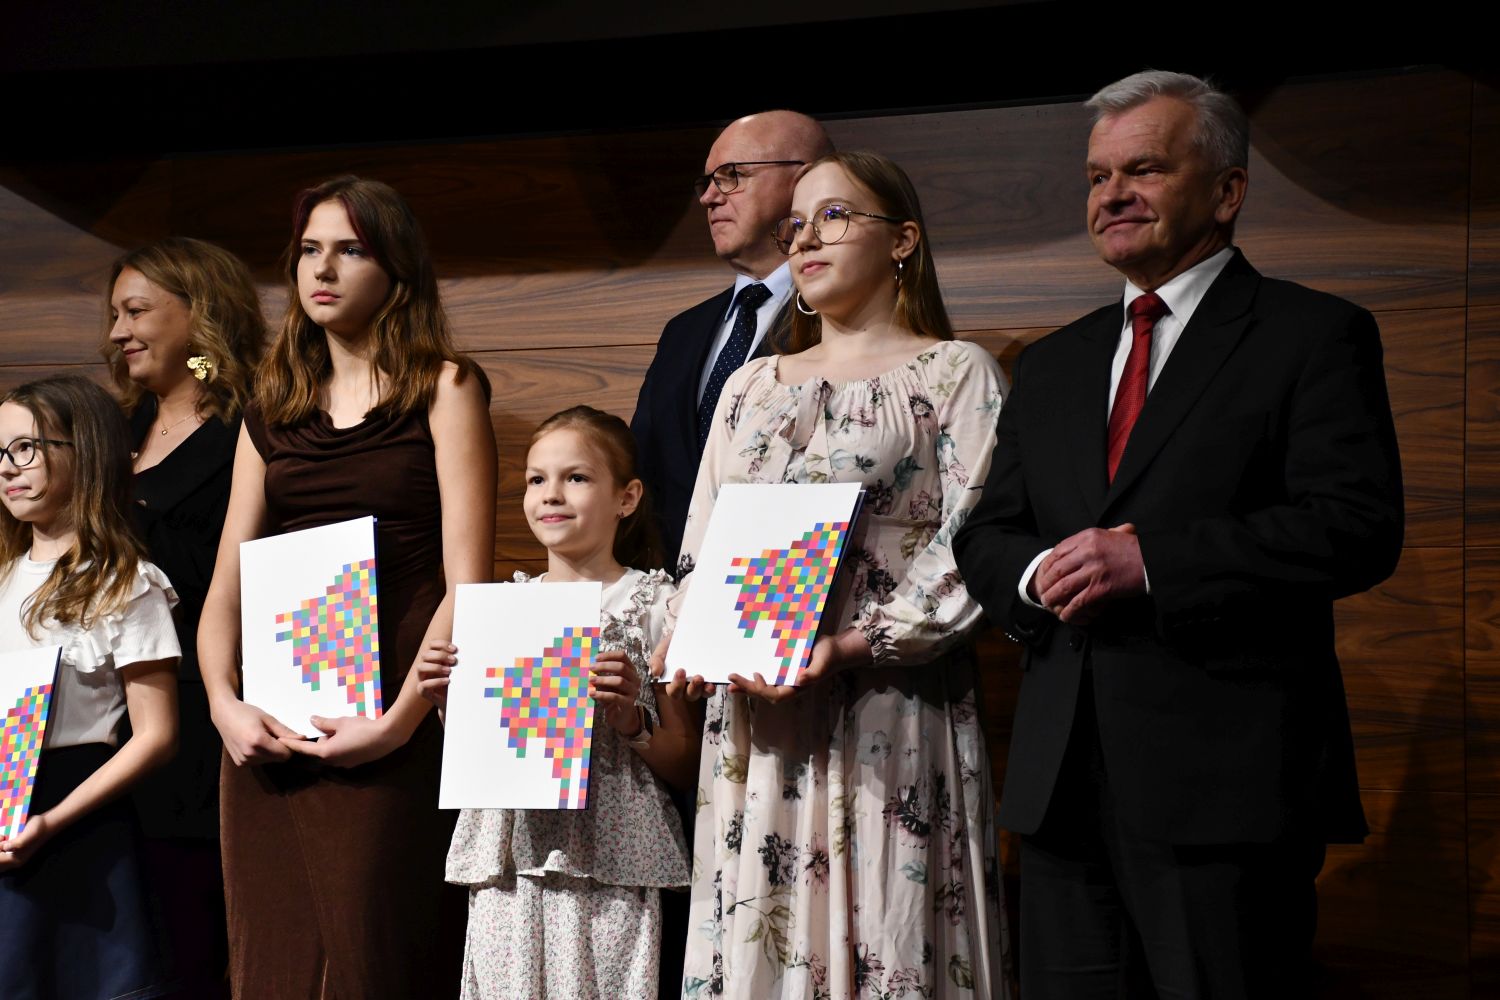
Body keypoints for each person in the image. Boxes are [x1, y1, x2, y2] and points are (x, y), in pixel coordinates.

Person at [952, 71, 1404, 998]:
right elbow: (989, 533)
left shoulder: (1312, 334)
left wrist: (1151, 562)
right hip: (1060, 786)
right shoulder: (1056, 361)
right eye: (1097, 176)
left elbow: (1355, 526)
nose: (1112, 194)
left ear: (1228, 190)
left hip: (1225, 792)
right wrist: (1039, 575)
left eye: (1145, 169)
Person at [661, 151, 1010, 999]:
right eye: (796, 225)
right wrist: (692, 639)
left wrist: (855, 644)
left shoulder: (953, 372)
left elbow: (974, 545)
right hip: (758, 722)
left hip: (889, 711)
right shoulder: (749, 386)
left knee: (889, 929)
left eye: (833, 216)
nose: (806, 239)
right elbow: (702, 540)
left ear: (903, 240)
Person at [198, 176, 498, 998]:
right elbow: (225, 586)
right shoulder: (270, 408)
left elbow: (468, 584)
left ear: (395, 267)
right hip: (273, 720)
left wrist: (397, 725)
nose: (322, 269)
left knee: (376, 951)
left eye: (350, 250)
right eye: (308, 251)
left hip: (397, 705)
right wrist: (224, 705)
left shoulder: (445, 387)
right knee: (273, 958)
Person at [418, 405, 696, 1000]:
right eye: (536, 479)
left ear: (626, 498)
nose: (551, 494)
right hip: (512, 853)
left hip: (613, 855)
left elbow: (686, 761)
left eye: (576, 477)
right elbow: (486, 747)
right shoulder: (500, 609)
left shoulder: (656, 603)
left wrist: (631, 722)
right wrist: (446, 700)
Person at [104, 236, 266, 998]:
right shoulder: (110, 432)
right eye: (114, 315)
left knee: (192, 951)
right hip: (104, 727)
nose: (118, 332)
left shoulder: (255, 430)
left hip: (203, 726)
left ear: (201, 313)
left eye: (136, 311)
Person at [0, 374, 181, 999]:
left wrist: (51, 820)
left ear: (86, 453)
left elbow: (156, 735)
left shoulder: (124, 583)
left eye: (25, 448)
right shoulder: (3, 578)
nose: (7, 467)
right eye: (0, 452)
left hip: (73, 821)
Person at [631, 110, 835, 573]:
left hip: (790, 588)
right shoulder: (681, 333)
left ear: (804, 182)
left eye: (732, 176)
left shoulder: (845, 323)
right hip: (677, 597)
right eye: (707, 182)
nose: (708, 197)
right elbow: (642, 474)